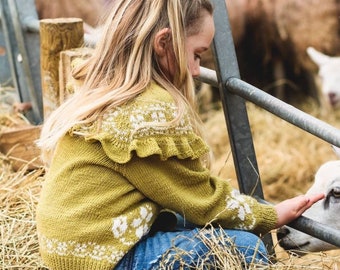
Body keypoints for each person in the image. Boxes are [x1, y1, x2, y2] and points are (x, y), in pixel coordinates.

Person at [36, 0, 324, 269]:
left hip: (73, 246)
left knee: (188, 221)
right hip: (101, 257)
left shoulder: (109, 89)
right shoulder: (149, 110)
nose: (198, 71)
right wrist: (269, 216)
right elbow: (199, 199)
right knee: (247, 248)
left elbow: (183, 190)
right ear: (163, 43)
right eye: (197, 55)